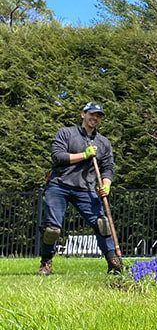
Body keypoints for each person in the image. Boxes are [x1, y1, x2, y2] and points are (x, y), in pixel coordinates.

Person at [38, 102, 122, 275]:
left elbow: (108, 167)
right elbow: (58, 156)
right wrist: (84, 155)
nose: (95, 118)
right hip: (59, 185)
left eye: (99, 116)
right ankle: (46, 262)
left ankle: (113, 262)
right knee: (52, 229)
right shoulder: (66, 133)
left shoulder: (103, 142)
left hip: (86, 188)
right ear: (83, 114)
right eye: (92, 114)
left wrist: (106, 185)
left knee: (102, 224)